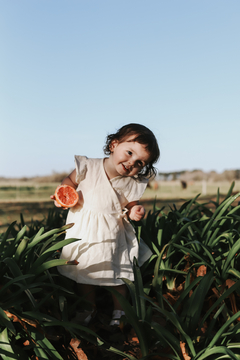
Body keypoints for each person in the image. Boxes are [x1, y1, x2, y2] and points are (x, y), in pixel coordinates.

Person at [51, 123, 160, 326]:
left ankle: (120, 312)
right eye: (129, 153)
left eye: (139, 163)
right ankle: (88, 308)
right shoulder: (88, 166)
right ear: (113, 145)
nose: (131, 163)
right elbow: (69, 182)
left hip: (112, 235)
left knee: (118, 277)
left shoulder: (131, 182)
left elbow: (130, 203)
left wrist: (135, 209)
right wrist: (64, 192)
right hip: (84, 233)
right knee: (84, 274)